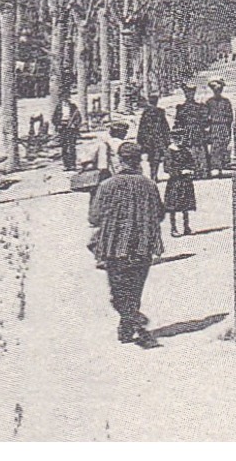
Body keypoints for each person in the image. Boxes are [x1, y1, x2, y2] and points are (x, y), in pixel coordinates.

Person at [87, 141, 164, 348]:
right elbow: (160, 214)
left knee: (118, 291)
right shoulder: (149, 185)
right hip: (142, 245)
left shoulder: (106, 186)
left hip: (114, 246)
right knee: (135, 289)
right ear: (140, 161)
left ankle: (132, 323)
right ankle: (129, 325)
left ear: (119, 160)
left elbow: (93, 218)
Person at [162, 130, 197, 237]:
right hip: (175, 182)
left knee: (185, 206)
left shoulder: (185, 150)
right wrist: (180, 172)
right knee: (173, 206)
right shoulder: (169, 152)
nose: (179, 141)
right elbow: (167, 168)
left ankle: (186, 227)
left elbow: (192, 163)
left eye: (180, 138)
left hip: (185, 182)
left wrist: (191, 170)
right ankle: (173, 228)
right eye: (176, 139)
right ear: (172, 139)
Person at [174, 87, 210, 172]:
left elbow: (205, 120)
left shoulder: (200, 107)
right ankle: (190, 169)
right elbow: (178, 122)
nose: (189, 96)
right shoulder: (181, 108)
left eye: (191, 94)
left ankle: (202, 170)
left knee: (200, 150)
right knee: (188, 150)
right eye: (187, 94)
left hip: (198, 131)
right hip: (186, 132)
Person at [204, 78, 235, 177]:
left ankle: (223, 165)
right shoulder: (209, 102)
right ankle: (216, 167)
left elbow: (230, 116)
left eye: (219, 90)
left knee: (224, 145)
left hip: (224, 126)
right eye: (215, 90)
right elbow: (205, 115)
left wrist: (228, 126)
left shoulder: (226, 102)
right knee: (215, 147)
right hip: (214, 126)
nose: (217, 92)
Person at [136, 95, 171, 181]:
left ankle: (153, 175)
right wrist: (167, 138)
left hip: (149, 139)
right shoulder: (159, 112)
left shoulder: (146, 112)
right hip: (158, 138)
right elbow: (165, 126)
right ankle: (154, 175)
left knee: (152, 158)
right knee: (157, 158)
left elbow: (142, 127)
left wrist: (140, 140)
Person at [53, 100, 85, 172]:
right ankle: (66, 165)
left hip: (72, 128)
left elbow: (78, 117)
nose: (65, 98)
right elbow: (54, 118)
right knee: (64, 146)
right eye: (64, 96)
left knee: (72, 146)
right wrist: (58, 124)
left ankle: (73, 164)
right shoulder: (58, 107)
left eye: (67, 95)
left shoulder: (73, 106)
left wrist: (75, 124)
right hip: (63, 128)